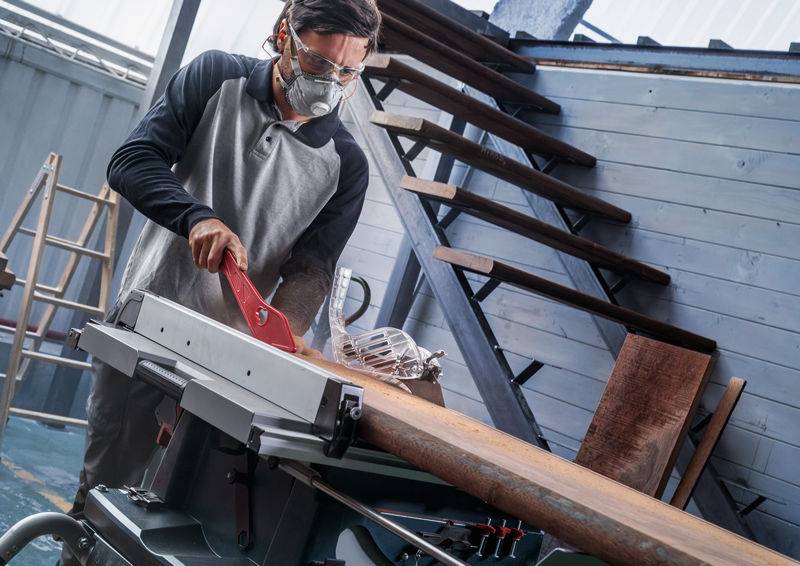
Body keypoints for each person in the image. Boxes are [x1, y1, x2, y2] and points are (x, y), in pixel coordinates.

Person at [59, 0, 380, 562]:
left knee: (181, 528)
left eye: (348, 72)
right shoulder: (215, 78)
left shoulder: (346, 163)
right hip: (149, 329)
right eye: (319, 64)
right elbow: (131, 161)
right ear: (284, 35)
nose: (331, 83)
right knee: (102, 501)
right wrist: (196, 217)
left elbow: (312, 266)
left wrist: (289, 330)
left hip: (234, 372)